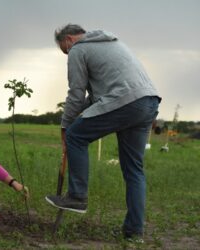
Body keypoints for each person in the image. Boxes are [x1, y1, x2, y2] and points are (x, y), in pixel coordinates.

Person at [45, 24, 161, 241]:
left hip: (125, 101)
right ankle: (134, 232)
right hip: (148, 102)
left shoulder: (78, 49)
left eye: (65, 50)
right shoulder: (113, 43)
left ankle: (77, 196)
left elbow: (76, 94)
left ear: (69, 39)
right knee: (134, 171)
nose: (67, 55)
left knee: (75, 136)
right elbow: (96, 98)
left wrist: (65, 126)